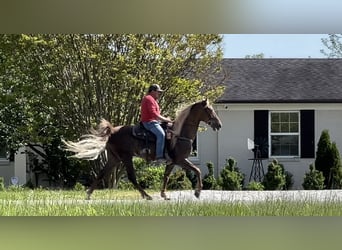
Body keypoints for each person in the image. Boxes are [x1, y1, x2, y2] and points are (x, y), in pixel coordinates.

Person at [140, 84, 172, 163]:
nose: (159, 94)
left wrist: (165, 121)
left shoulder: (153, 100)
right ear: (152, 91)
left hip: (155, 121)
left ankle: (167, 153)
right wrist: (165, 120)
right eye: (158, 92)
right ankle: (159, 157)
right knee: (161, 134)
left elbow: (156, 115)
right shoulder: (149, 98)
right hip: (149, 122)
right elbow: (154, 114)